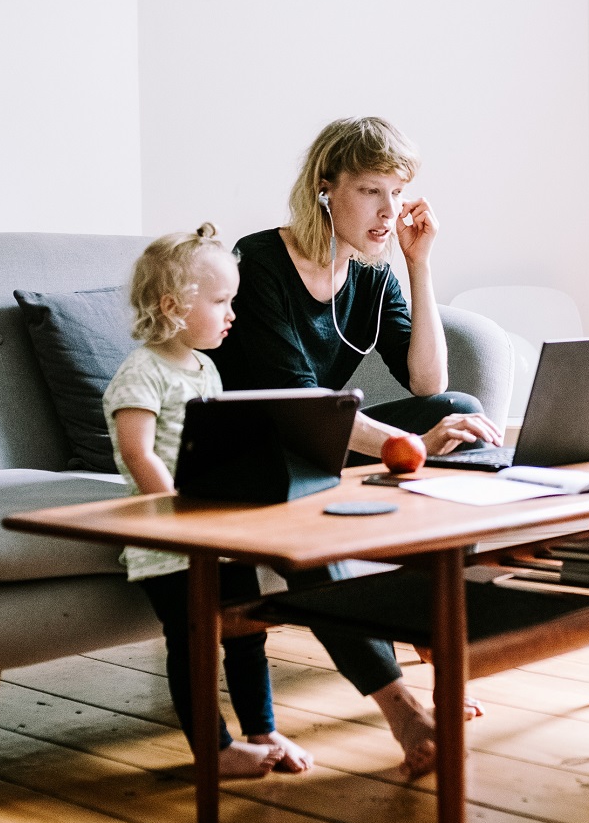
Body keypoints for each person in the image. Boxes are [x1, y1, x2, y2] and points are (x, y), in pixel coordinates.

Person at [208, 116, 502, 776]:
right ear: (325, 187)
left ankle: (438, 646)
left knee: (460, 411)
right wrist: (405, 442)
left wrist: (417, 263)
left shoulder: (371, 277)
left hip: (319, 442)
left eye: (397, 193)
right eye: (372, 191)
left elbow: (429, 380)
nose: (388, 211)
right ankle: (402, 710)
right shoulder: (259, 264)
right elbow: (296, 404)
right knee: (317, 487)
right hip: (260, 448)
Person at [104, 224, 313, 778]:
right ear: (173, 306)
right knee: (195, 642)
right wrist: (175, 512)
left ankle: (263, 731)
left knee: (247, 633)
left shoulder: (206, 368)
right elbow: (136, 451)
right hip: (171, 542)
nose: (232, 314)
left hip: (218, 534)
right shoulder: (142, 372)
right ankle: (213, 750)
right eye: (221, 301)